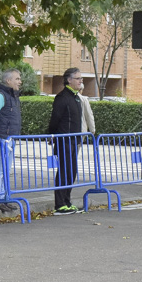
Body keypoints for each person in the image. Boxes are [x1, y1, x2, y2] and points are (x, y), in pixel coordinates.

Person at [47, 68, 96, 214]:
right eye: (78, 78)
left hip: (75, 140)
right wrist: (53, 135)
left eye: (81, 78)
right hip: (64, 140)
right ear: (69, 80)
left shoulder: (76, 98)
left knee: (71, 172)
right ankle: (60, 204)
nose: (81, 81)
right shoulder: (62, 98)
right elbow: (55, 119)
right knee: (64, 171)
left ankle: (67, 201)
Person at [0, 69, 23, 212]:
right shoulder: (0, 95)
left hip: (9, 138)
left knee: (5, 169)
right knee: (1, 169)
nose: (20, 81)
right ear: (8, 81)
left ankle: (4, 197)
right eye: (17, 78)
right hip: (2, 138)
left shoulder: (12, 95)